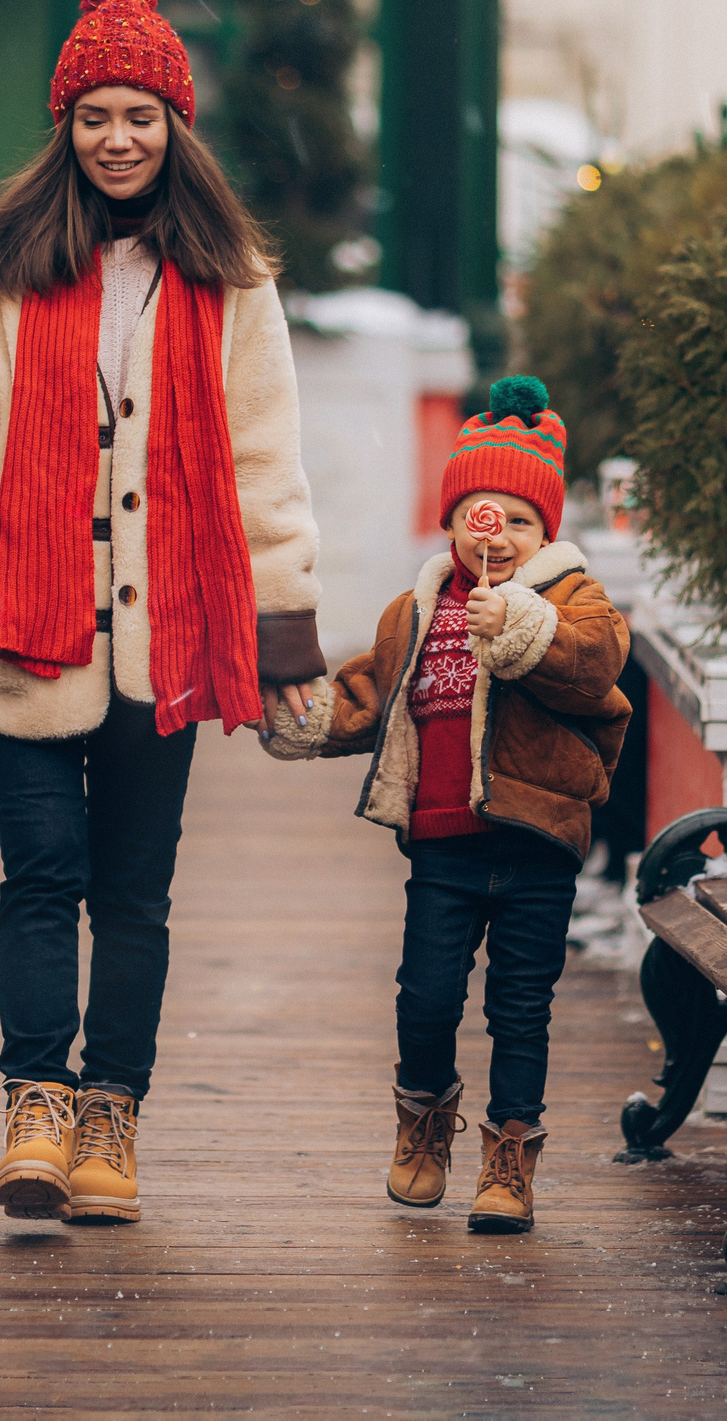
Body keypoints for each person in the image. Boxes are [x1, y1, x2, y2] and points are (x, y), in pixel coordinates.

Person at [0, 0, 323, 1225]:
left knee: (134, 891)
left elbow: (263, 461)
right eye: (94, 116)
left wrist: (288, 636)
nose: (117, 137)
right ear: (65, 127)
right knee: (40, 872)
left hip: (168, 640)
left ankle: (111, 1118)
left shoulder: (231, 281)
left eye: (138, 115)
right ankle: (34, 1104)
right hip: (20, 633)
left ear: (174, 124)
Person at [264, 376, 631, 1233]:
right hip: (442, 843)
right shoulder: (417, 612)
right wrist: (296, 712)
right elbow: (365, 692)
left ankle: (510, 1153)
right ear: (456, 521)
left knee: (520, 1005)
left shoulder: (571, 601)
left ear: (547, 532)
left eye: (520, 520)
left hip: (537, 838)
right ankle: (423, 1117)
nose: (495, 534)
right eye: (479, 512)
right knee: (425, 996)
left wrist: (526, 626)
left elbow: (596, 661)